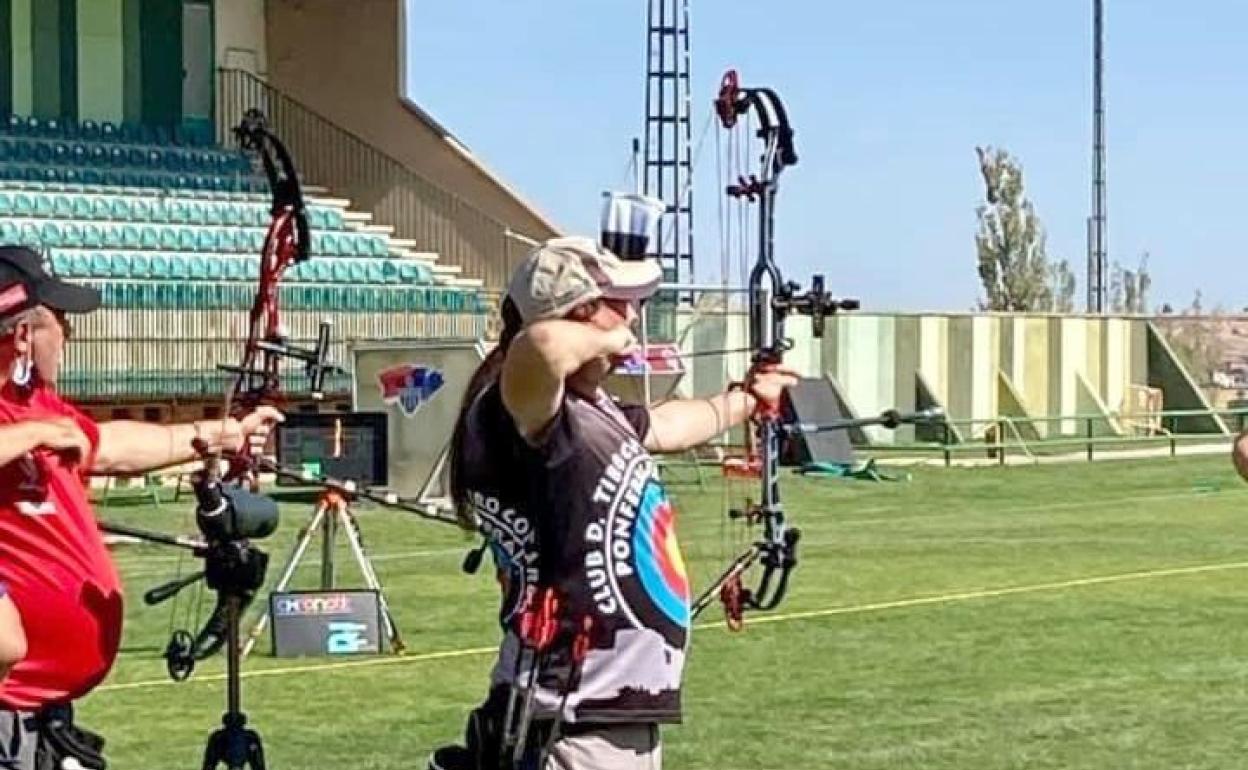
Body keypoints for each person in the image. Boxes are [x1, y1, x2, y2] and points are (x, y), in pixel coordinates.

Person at [435, 236, 797, 770]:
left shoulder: (588, 408)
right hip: (569, 715)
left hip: (603, 711)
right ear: (579, 311)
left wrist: (746, 398)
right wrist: (612, 337)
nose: (633, 314)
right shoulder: (520, 408)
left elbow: (671, 425)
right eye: (619, 303)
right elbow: (538, 346)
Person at [0, 245, 280, 770]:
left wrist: (214, 436)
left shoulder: (35, 404)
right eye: (60, 320)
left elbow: (110, 446)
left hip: (43, 714)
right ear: (21, 335)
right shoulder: (30, 419)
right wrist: (37, 432)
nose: (70, 334)